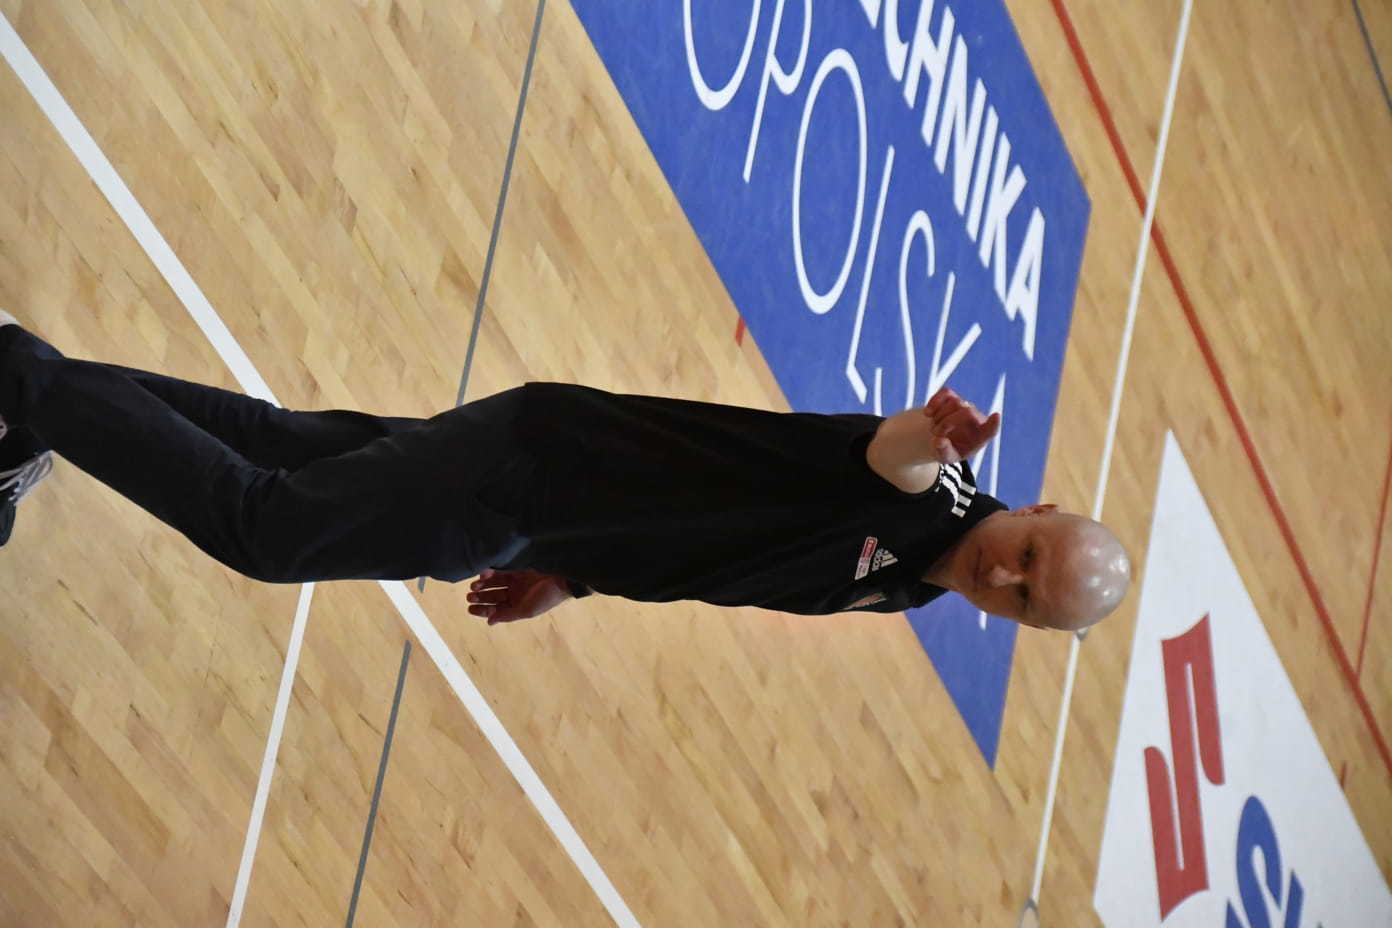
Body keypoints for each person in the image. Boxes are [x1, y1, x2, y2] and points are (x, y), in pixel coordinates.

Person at [0, 311, 1130, 631]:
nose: (1008, 576)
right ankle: (20, 378)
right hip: (527, 484)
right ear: (1034, 508)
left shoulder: (908, 589)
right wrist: (927, 435)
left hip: (550, 490)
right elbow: (893, 459)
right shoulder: (928, 498)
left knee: (280, 447)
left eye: (1028, 597)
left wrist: (576, 571)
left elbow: (726, 543)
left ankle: (26, 410)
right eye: (1030, 552)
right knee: (268, 529)